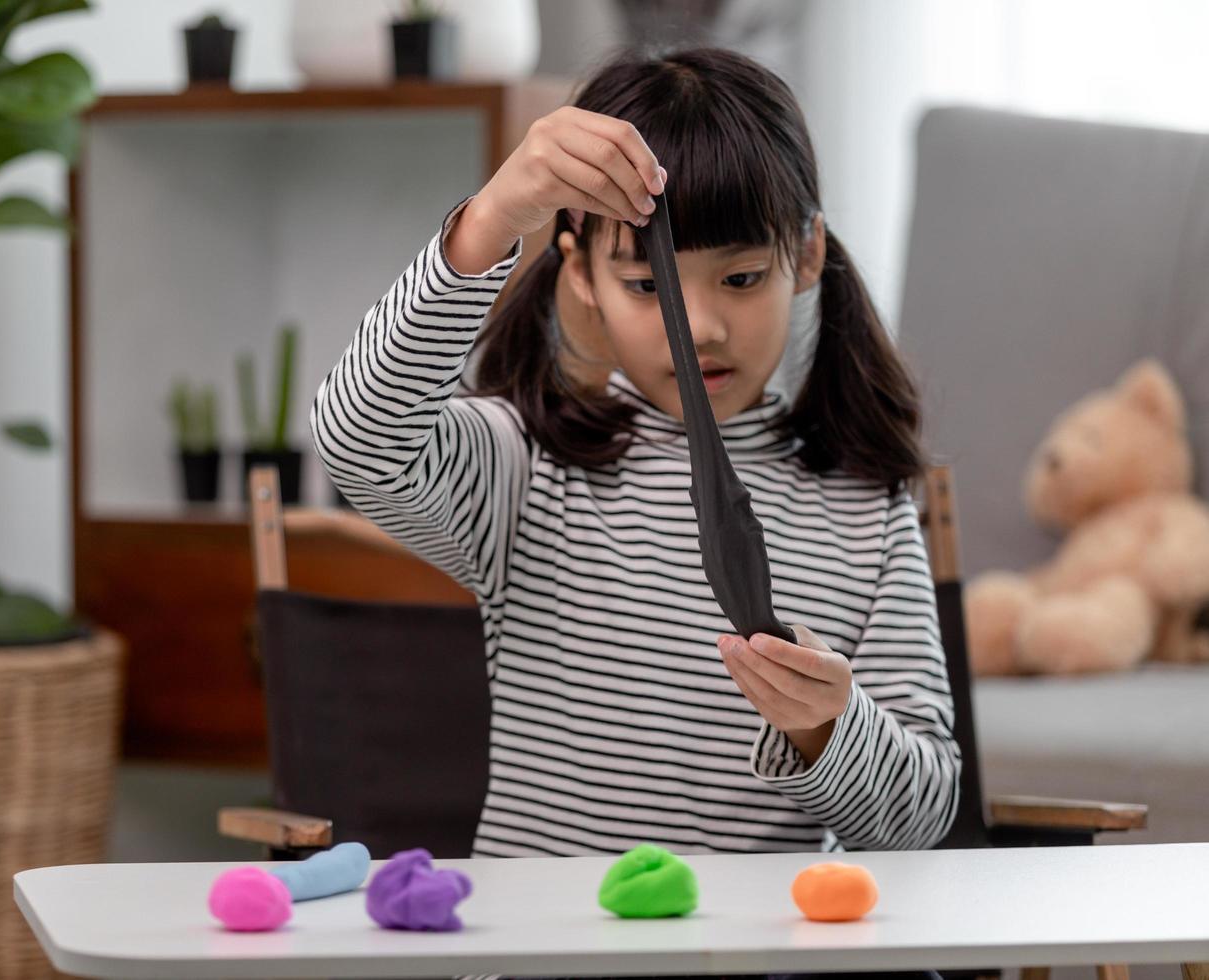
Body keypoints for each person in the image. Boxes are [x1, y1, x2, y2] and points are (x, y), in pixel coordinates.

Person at [311, 46, 958, 980]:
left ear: (807, 254)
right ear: (577, 272)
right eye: (650, 287)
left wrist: (831, 725)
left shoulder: (868, 507)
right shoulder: (525, 468)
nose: (699, 327)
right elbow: (356, 440)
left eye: (740, 278)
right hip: (545, 961)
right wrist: (491, 222)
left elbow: (921, 816)